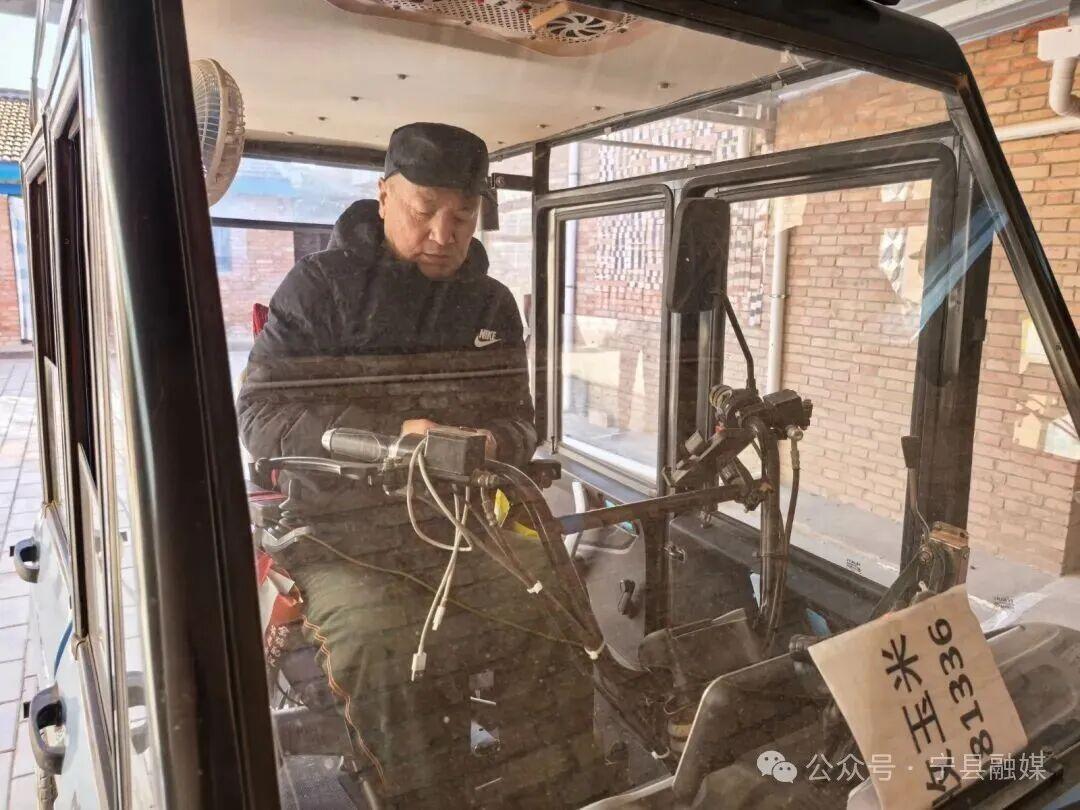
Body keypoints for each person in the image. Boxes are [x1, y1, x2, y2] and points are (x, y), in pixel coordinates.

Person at [238, 123, 613, 808]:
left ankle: (557, 789)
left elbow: (522, 420)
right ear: (384, 196)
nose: (444, 233)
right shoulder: (317, 289)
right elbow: (260, 418)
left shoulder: (490, 304)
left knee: (558, 608)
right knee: (383, 647)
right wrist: (388, 438)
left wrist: (491, 444)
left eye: (462, 215)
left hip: (462, 527)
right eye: (425, 210)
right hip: (340, 535)